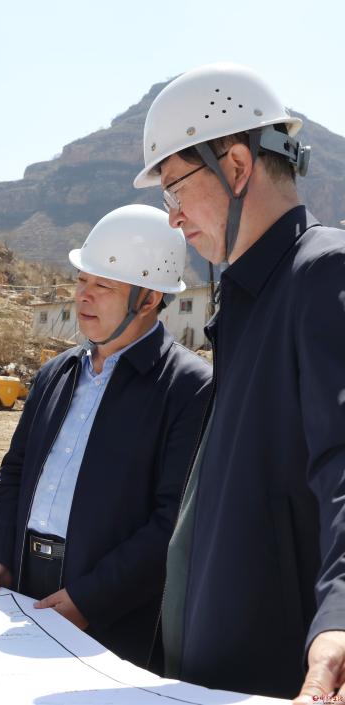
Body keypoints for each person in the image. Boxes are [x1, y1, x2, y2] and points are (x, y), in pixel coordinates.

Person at [134, 62, 345, 701]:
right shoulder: (249, 299)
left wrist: (339, 618)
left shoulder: (323, 274)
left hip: (276, 676)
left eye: (174, 190)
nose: (173, 219)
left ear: (235, 166)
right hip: (217, 673)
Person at [0, 204, 211, 670]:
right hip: (22, 582)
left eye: (103, 286)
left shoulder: (189, 387)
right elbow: (14, 472)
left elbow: (174, 522)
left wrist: (92, 598)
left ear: (149, 298)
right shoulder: (56, 373)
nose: (83, 296)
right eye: (82, 280)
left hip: (113, 612)